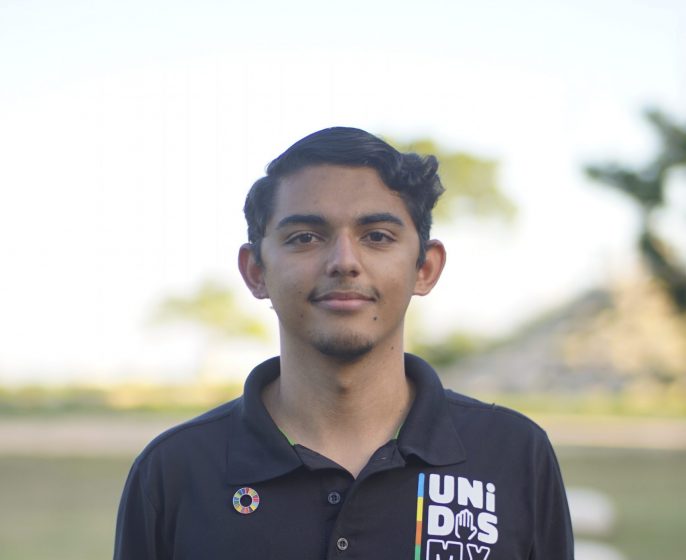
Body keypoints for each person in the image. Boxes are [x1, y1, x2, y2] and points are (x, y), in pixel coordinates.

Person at [114, 127, 574, 559]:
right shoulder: (174, 471)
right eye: (305, 237)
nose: (344, 261)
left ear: (425, 268)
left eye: (377, 236)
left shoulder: (513, 453)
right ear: (256, 271)